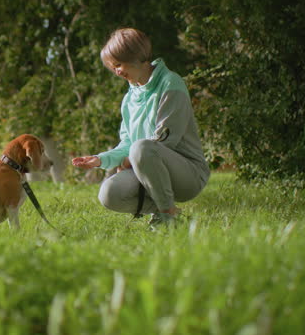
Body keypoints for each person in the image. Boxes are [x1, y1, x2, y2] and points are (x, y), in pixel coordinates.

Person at [72, 28, 210, 228]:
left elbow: (164, 140)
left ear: (136, 56)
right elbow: (128, 143)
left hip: (188, 175)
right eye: (113, 67)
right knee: (109, 193)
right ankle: (165, 210)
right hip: (146, 168)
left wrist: (130, 159)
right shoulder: (129, 99)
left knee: (141, 148)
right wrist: (100, 159)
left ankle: (167, 216)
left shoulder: (171, 84)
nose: (117, 71)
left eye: (119, 64)